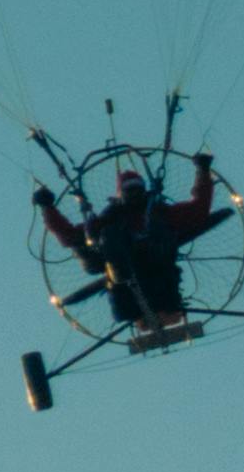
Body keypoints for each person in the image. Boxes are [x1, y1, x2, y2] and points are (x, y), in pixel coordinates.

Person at [46, 145, 231, 343]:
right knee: (108, 237)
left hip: (160, 279)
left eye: (137, 188)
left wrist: (203, 171)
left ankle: (141, 284)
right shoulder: (108, 221)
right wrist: (47, 208)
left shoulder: (159, 213)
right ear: (120, 194)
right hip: (126, 294)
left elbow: (198, 211)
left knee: (156, 229)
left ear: (144, 189)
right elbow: (69, 236)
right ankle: (122, 273)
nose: (134, 193)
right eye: (129, 189)